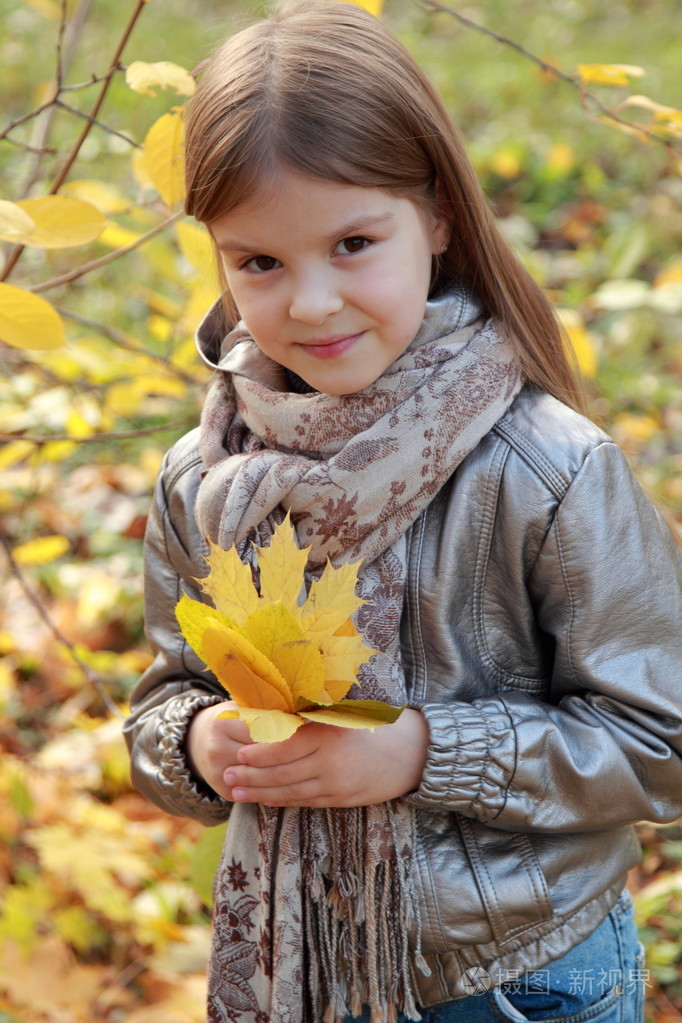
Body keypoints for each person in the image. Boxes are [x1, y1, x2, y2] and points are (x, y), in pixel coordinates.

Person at [123, 2, 682, 1021]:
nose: (312, 303)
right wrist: (201, 747)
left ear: (435, 218)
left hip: (521, 980)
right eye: (260, 263)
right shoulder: (206, 476)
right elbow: (163, 703)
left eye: (351, 243)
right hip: (306, 971)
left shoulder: (545, 470)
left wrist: (421, 752)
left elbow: (662, 738)